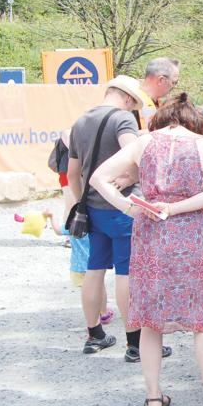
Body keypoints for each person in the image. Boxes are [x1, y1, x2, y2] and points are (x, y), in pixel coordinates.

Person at [90, 93, 203, 406]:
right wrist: (175, 207)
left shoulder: (144, 142)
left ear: (162, 119)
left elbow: (98, 178)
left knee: (151, 320)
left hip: (150, 230)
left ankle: (153, 397)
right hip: (194, 232)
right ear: (193, 121)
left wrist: (128, 206)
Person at [68, 75, 166, 361]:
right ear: (127, 98)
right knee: (126, 272)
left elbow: (73, 173)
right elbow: (135, 156)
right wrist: (130, 179)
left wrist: (82, 202)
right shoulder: (122, 119)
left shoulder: (80, 121)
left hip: (92, 208)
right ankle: (134, 343)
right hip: (122, 208)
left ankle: (94, 335)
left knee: (95, 268)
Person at [41, 209, 111, 323]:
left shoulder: (72, 226)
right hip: (94, 266)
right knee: (100, 288)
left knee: (87, 292)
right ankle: (103, 313)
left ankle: (93, 318)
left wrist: (52, 216)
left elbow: (58, 230)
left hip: (77, 268)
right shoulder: (96, 227)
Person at [138, 57, 181, 128]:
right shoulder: (133, 102)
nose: (175, 86)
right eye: (174, 82)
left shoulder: (159, 104)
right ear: (161, 80)